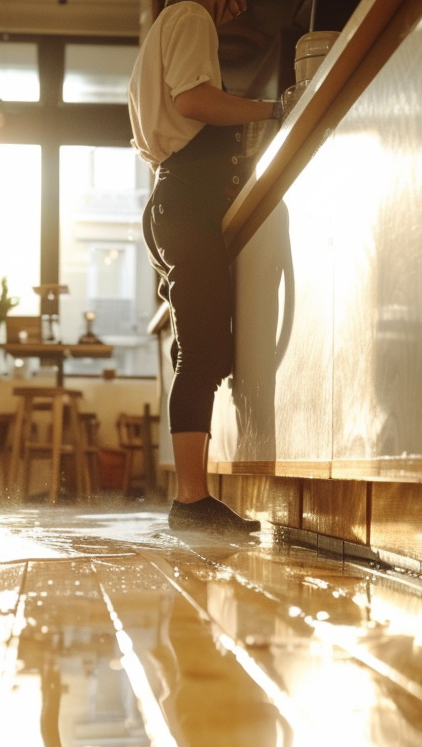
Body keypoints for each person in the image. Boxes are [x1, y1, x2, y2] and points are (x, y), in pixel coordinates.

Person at [129, 0, 281, 534]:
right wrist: (272, 110)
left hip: (173, 201)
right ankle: (191, 502)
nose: (242, 4)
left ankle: (194, 499)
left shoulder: (163, 30)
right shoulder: (191, 14)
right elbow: (194, 102)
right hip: (187, 205)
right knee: (201, 355)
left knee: (200, 351)